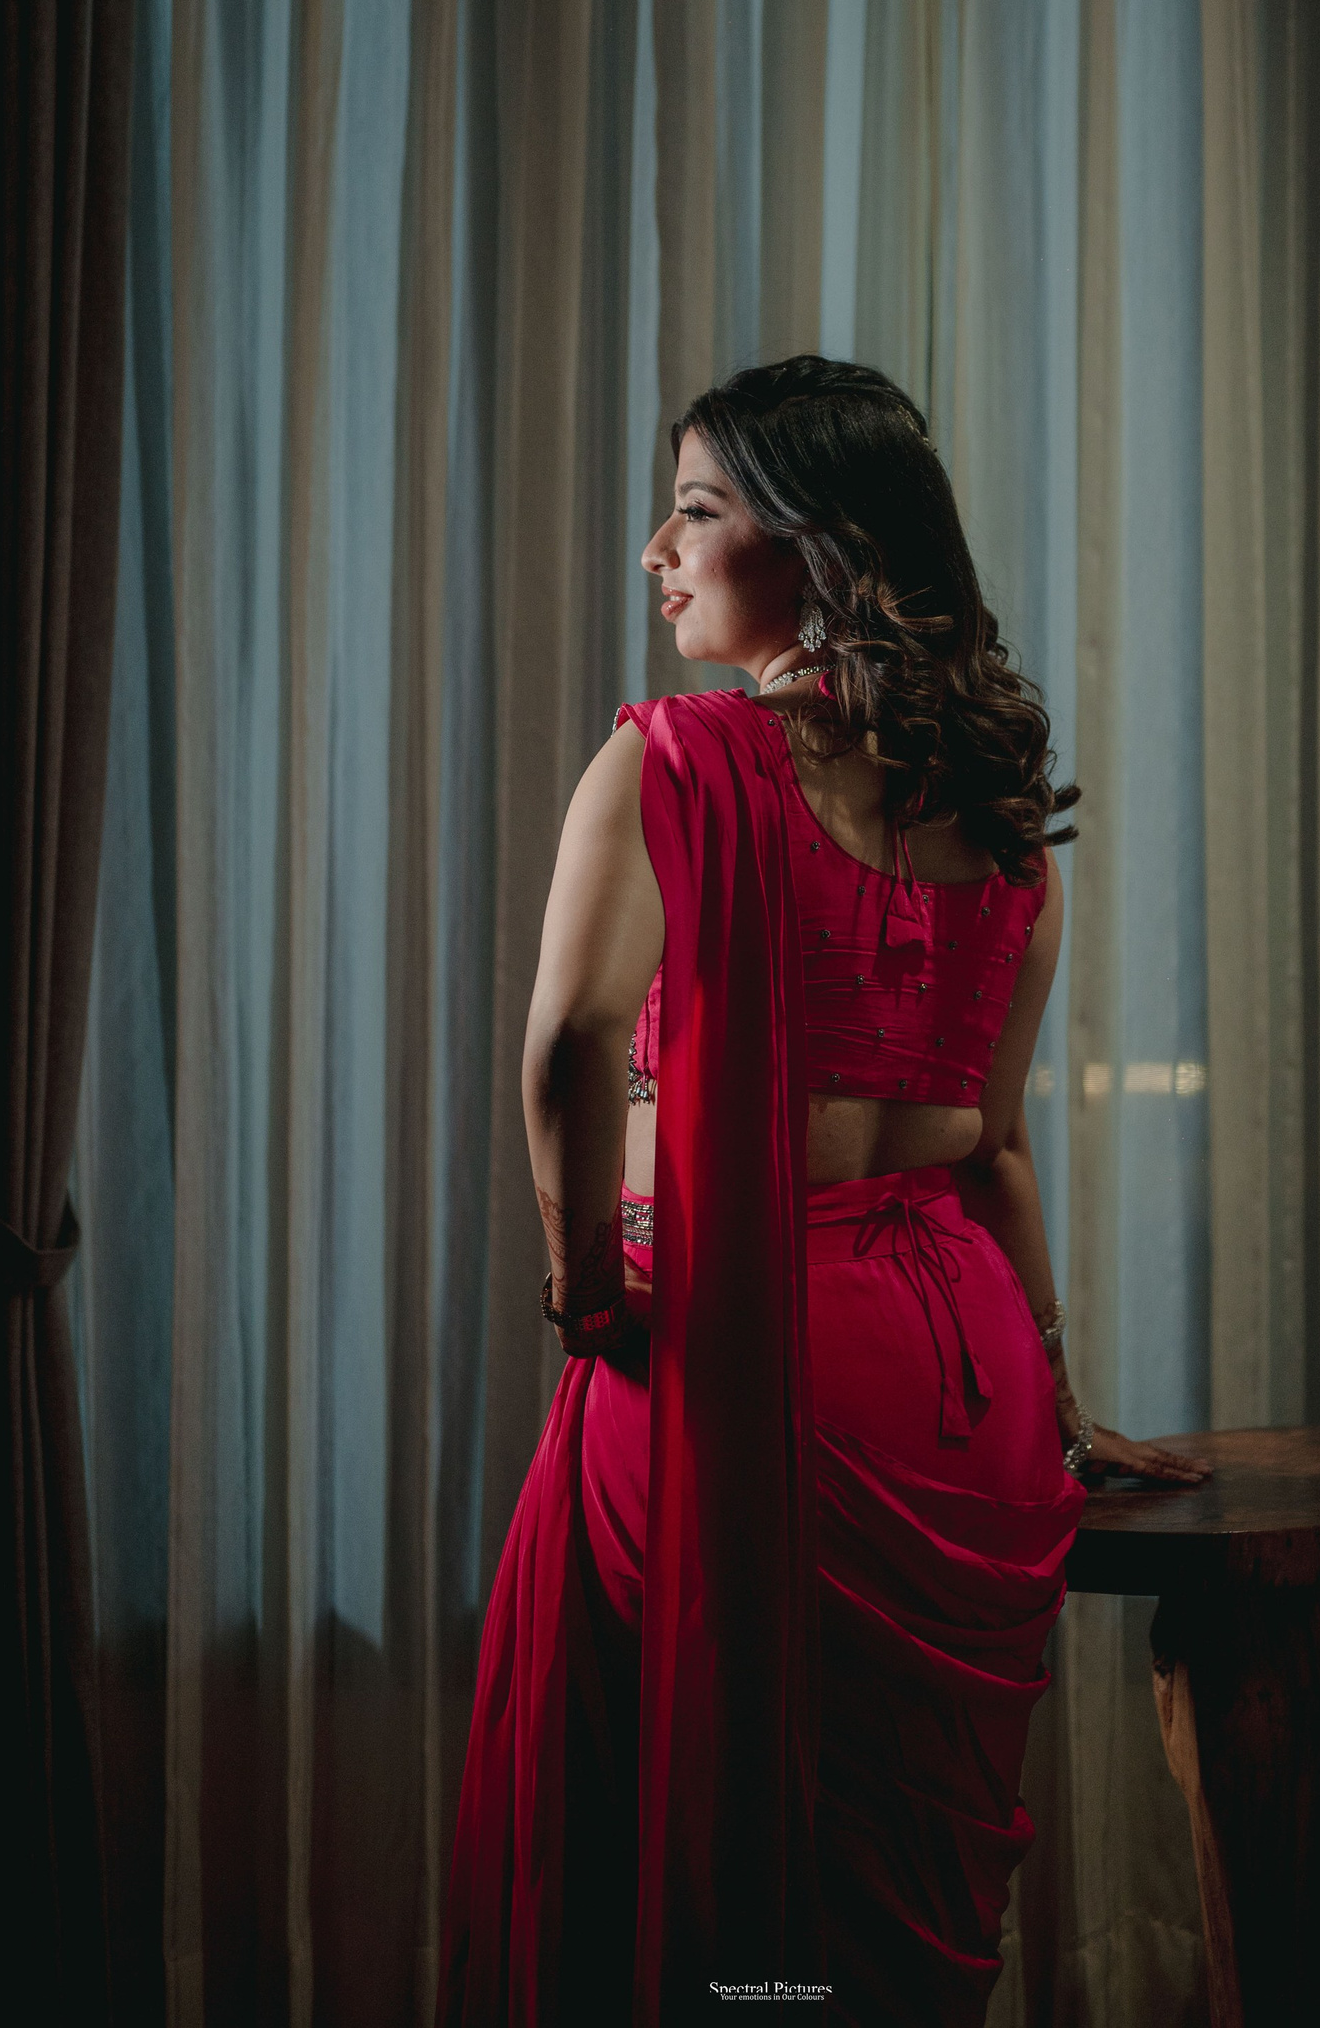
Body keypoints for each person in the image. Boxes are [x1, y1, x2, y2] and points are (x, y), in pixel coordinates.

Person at [443, 357, 1208, 2027]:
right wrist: (1062, 1396)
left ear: (818, 547)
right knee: (883, 1881)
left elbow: (565, 1043)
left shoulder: (676, 762)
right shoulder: (1003, 827)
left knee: (708, 1844)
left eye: (697, 510)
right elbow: (991, 1143)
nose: (657, 548)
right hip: (961, 1379)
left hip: (741, 1353)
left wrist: (585, 1290)